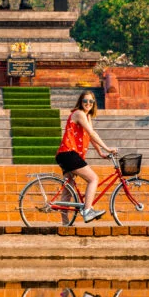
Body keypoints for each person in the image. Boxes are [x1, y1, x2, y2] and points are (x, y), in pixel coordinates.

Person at [55, 92, 117, 223]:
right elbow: (92, 133)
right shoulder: (79, 114)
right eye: (85, 101)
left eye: (91, 101)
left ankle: (65, 223)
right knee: (93, 179)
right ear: (80, 101)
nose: (88, 103)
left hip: (66, 154)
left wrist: (100, 153)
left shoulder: (87, 116)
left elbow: (90, 137)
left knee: (68, 189)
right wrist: (107, 148)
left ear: (94, 103)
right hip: (69, 153)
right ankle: (88, 211)